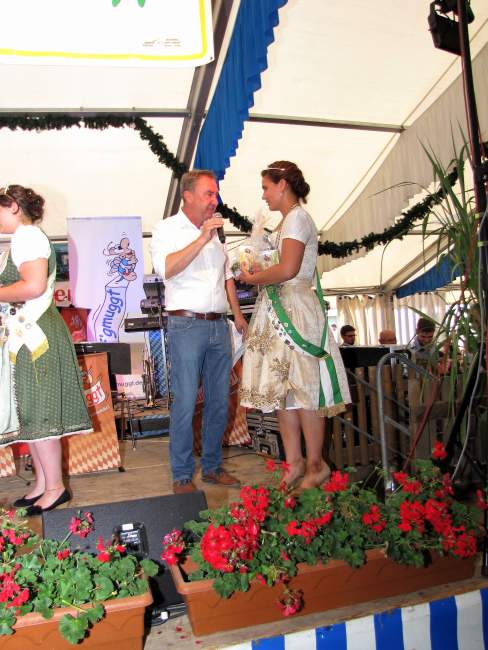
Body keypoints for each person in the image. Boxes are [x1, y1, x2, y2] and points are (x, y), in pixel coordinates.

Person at [239, 161, 350, 490]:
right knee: (282, 391)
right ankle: (295, 461)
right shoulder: (284, 222)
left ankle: (316, 464)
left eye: (266, 187)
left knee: (304, 389)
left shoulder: (298, 219)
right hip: (276, 308)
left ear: (282, 184)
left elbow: (288, 268)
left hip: (295, 309)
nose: (264, 195)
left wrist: (254, 278)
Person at [150, 170, 248, 495]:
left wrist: (237, 316)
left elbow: (226, 276)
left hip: (219, 325)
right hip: (186, 325)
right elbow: (167, 269)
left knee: (219, 401)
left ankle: (212, 467)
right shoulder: (166, 229)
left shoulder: (216, 234)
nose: (214, 200)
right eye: (208, 193)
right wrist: (202, 238)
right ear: (188, 196)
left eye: (215, 194)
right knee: (186, 400)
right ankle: (181, 475)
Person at [0, 184, 93, 515]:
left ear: (13, 207)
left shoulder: (27, 236)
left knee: (41, 412)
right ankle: (42, 483)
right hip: (28, 335)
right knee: (33, 412)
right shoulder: (24, 237)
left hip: (36, 336)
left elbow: (34, 285)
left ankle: (55, 488)